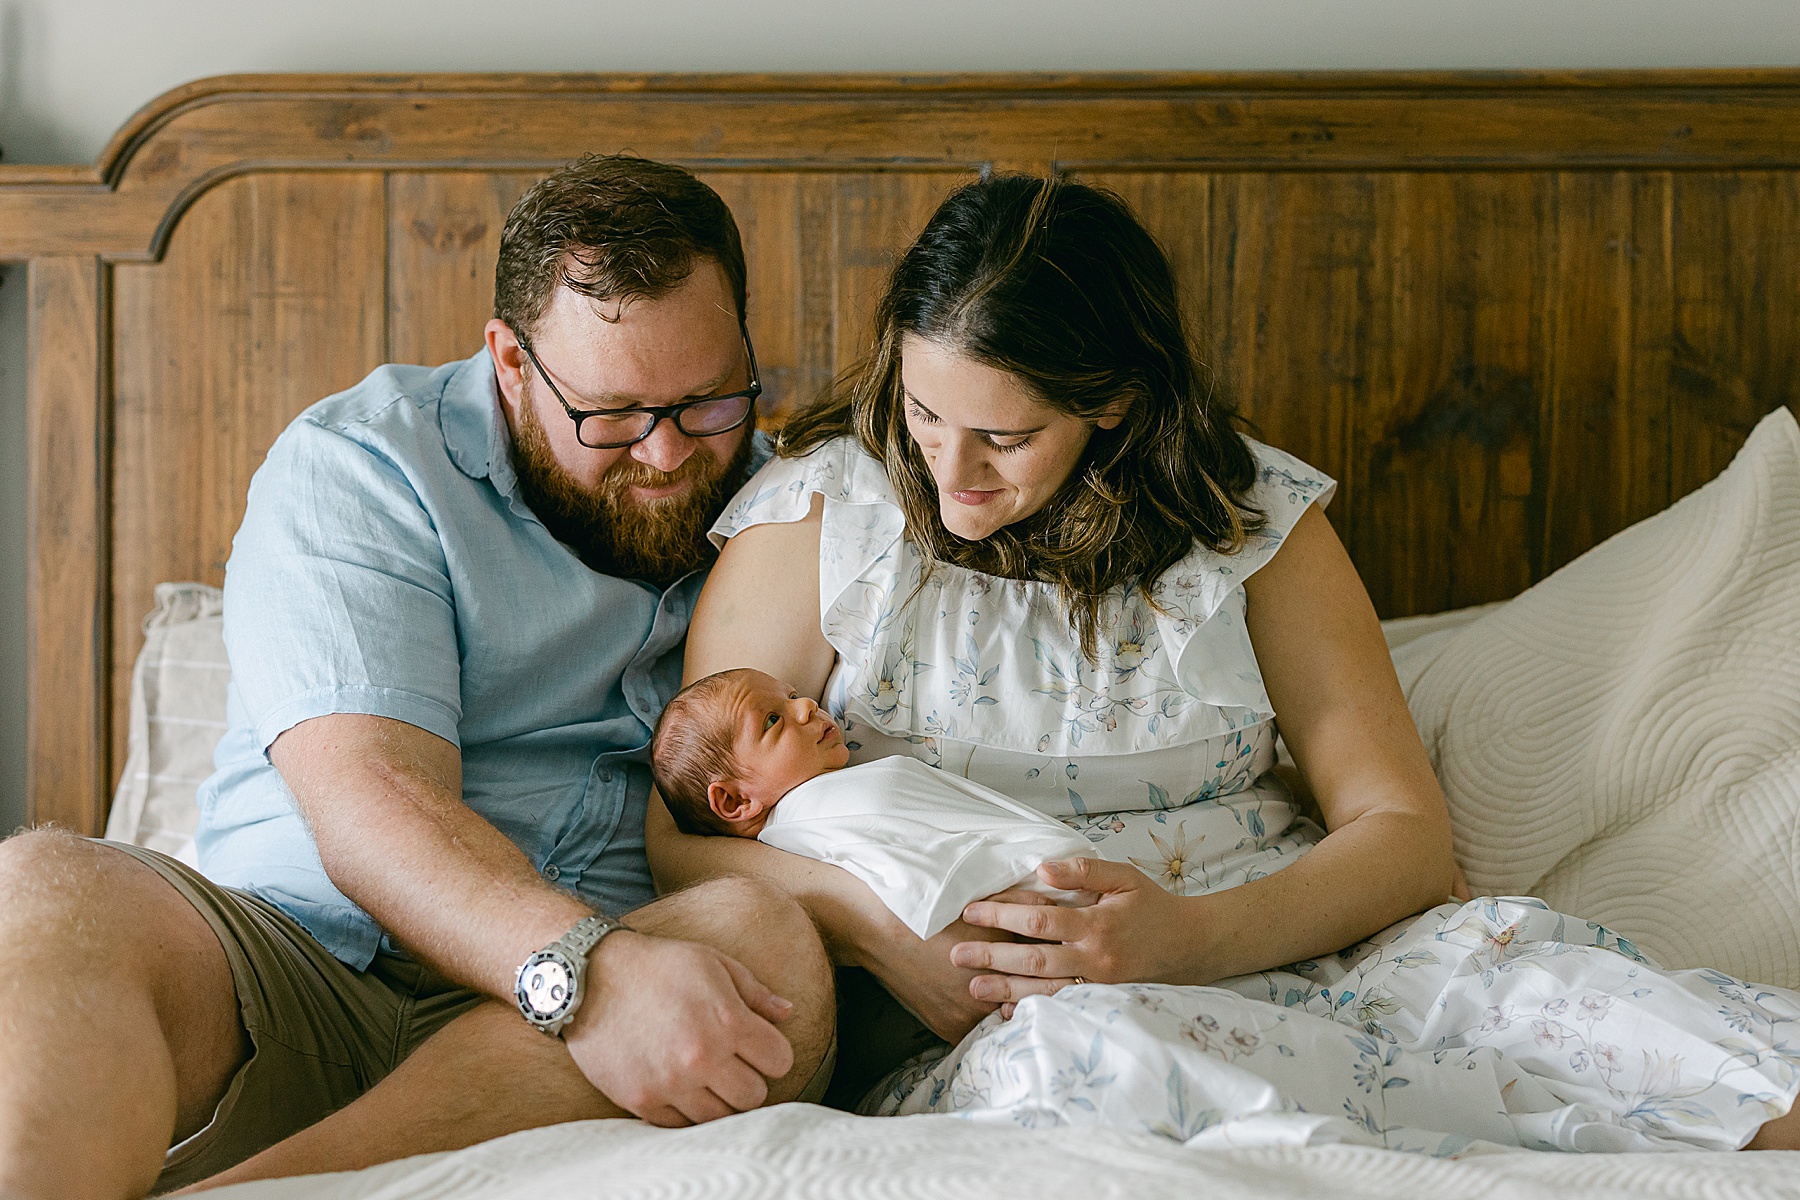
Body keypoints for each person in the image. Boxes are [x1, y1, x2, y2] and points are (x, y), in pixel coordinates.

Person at [652, 174, 1800, 1151]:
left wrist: (1191, 938)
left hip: (1276, 932)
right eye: (922, 413)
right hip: (1023, 1009)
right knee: (1114, 1069)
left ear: (1111, 404)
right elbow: (684, 840)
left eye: (1005, 438)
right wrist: (884, 939)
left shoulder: (1248, 521)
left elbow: (1402, 833)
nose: (953, 474)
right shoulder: (817, 518)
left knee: (1592, 1010)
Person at [0, 155, 834, 1200]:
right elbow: (372, 807)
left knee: (769, 948)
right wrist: (590, 974)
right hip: (298, 970)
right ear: (510, 362)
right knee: (43, 886)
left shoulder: (794, 517)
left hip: (572, 1053)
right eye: (613, 415)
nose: (667, 454)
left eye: (708, 401)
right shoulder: (363, 467)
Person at [651, 667, 1097, 938]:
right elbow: (928, 890)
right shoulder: (824, 811)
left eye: (791, 696)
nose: (806, 705)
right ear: (732, 800)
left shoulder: (810, 822)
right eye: (772, 720)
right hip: (1051, 904)